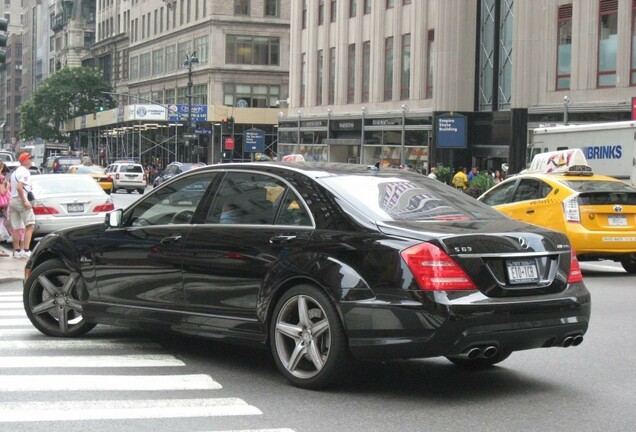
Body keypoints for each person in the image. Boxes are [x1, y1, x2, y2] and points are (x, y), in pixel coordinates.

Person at [9, 152, 36, 259]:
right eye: (29, 158)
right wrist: (25, 200)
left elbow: (14, 187)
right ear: (24, 161)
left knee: (16, 227)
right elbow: (20, 187)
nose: (31, 160)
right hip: (21, 200)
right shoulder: (25, 172)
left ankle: (17, 250)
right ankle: (26, 250)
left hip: (13, 200)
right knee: (30, 225)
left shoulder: (14, 172)